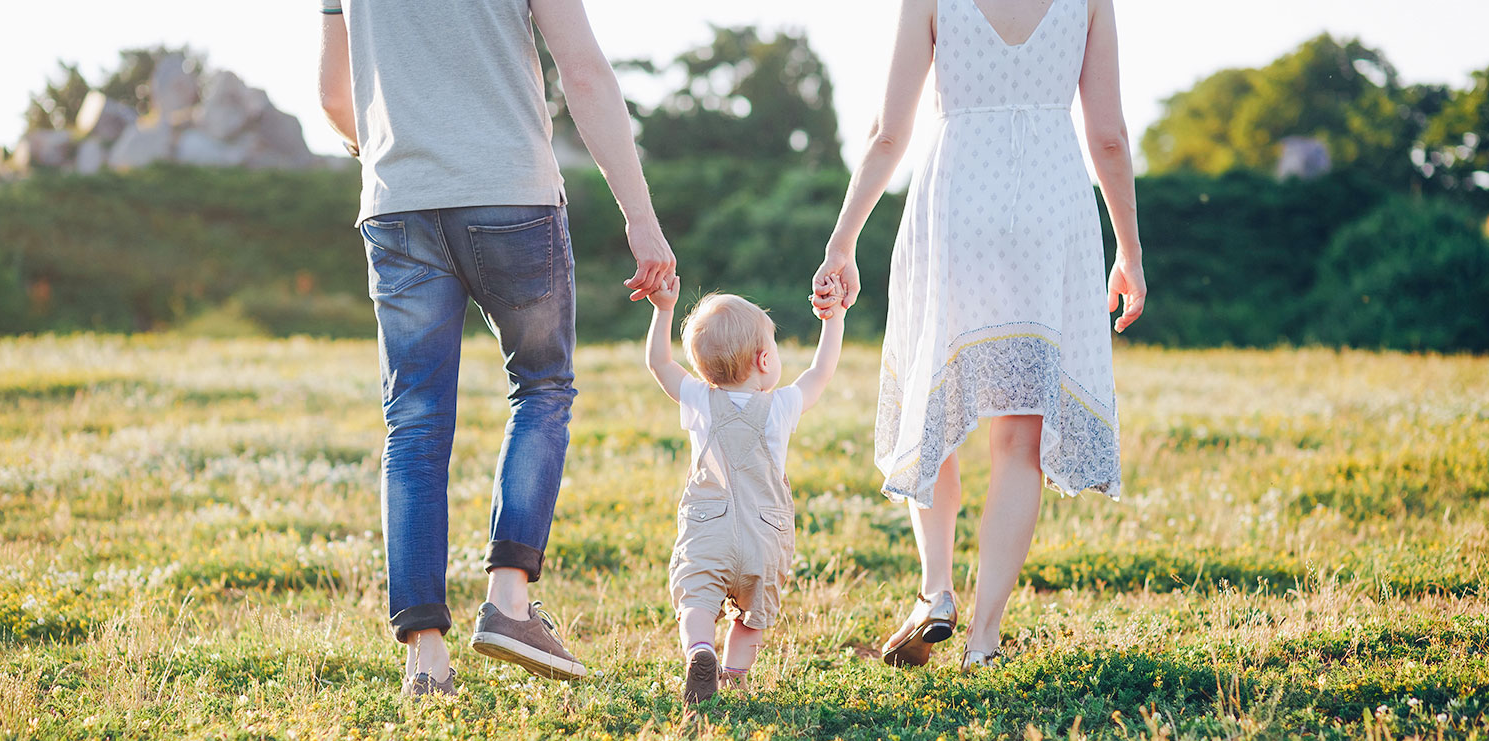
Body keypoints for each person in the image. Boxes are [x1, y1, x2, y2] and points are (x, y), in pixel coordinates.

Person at [317, 0, 676, 698]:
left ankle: (425, 659)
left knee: (414, 425)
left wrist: (403, 154)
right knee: (541, 388)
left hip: (398, 204)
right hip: (511, 194)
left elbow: (335, 96)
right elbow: (585, 73)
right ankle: (509, 603)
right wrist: (641, 218)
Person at [810, 0, 1145, 669]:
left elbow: (887, 133)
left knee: (934, 397)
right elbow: (1107, 134)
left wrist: (842, 241)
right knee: (1020, 437)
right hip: (1051, 212)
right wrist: (1130, 252)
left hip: (957, 199)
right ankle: (984, 639)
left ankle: (935, 589)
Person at [644, 275, 848, 704]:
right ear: (763, 359)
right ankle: (734, 677)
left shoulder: (699, 399)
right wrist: (834, 319)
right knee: (752, 617)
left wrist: (663, 311)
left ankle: (700, 650)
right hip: (764, 534)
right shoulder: (783, 406)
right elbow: (821, 371)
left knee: (696, 601)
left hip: (709, 531)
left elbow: (660, 363)